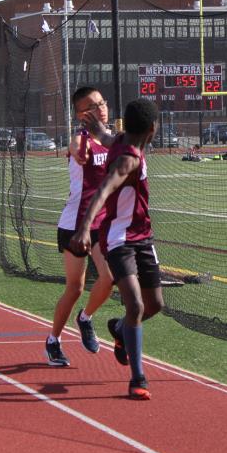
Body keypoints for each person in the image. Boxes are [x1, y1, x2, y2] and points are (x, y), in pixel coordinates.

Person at [72, 99, 162, 400]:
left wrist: (97, 128)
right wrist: (84, 228)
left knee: (154, 305)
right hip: (119, 239)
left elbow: (108, 138)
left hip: (143, 237)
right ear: (152, 129)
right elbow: (104, 190)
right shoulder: (128, 161)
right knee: (135, 305)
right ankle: (138, 378)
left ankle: (121, 329)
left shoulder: (123, 141)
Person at [46, 87, 116, 368]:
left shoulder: (114, 141)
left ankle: (85, 318)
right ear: (80, 114)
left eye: (102, 103)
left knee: (109, 277)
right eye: (92, 106)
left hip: (102, 224)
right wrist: (78, 150)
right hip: (75, 225)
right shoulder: (80, 139)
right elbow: (76, 149)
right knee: (74, 288)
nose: (101, 108)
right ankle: (53, 340)